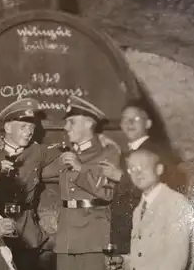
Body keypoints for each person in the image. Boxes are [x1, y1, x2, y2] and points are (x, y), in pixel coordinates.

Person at [0, 98, 61, 270]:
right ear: (7, 128)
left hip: (25, 229)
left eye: (31, 128)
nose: (28, 132)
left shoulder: (38, 151)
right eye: (23, 127)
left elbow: (64, 157)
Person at [53, 95, 121, 270]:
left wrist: (80, 168)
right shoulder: (65, 153)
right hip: (65, 238)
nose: (66, 127)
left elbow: (107, 193)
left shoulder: (108, 153)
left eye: (72, 122)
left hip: (93, 238)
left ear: (89, 123)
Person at [106, 149, 194, 270]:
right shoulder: (139, 210)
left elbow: (176, 261)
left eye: (143, 167)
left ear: (159, 169)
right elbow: (142, 256)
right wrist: (123, 261)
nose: (137, 173)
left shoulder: (175, 202)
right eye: (132, 169)